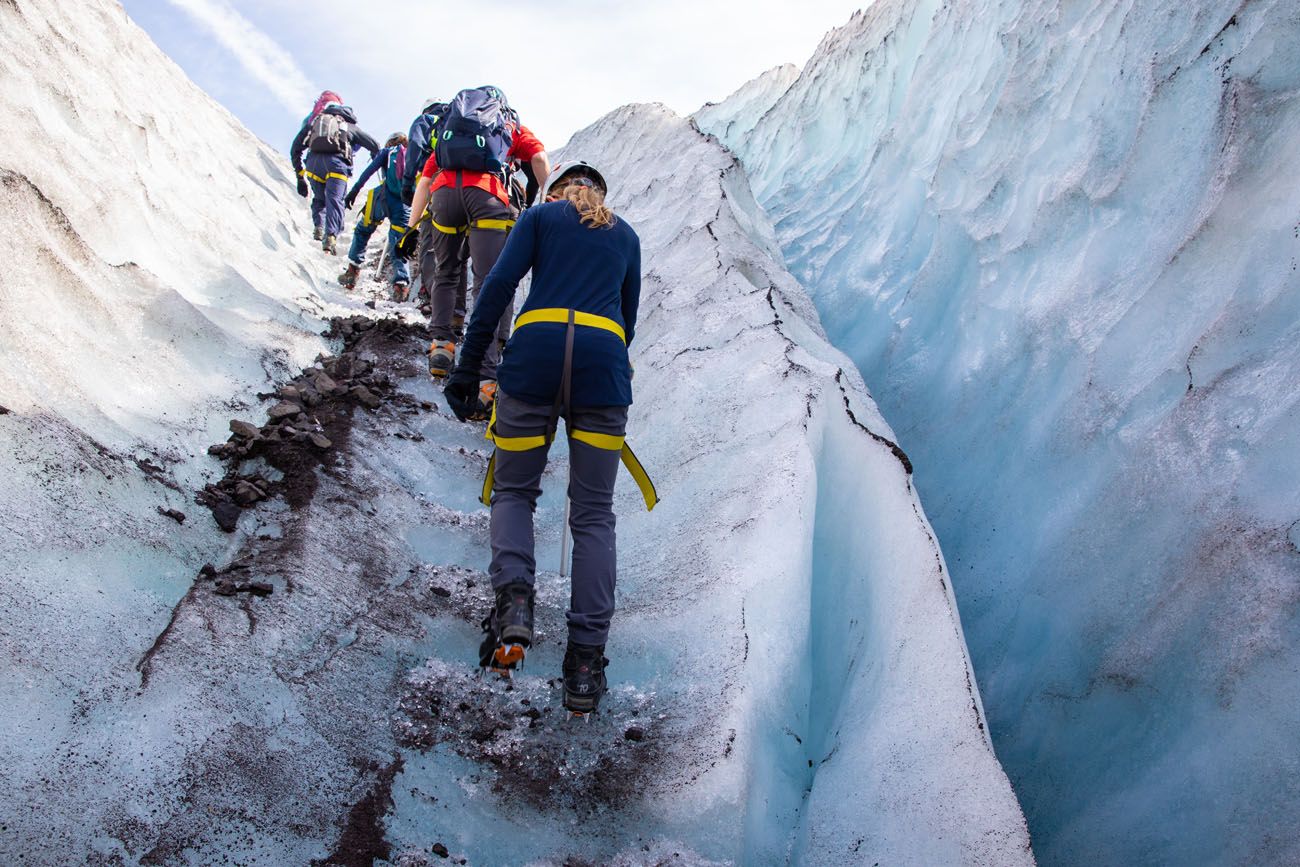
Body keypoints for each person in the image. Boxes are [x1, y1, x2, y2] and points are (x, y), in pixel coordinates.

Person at [442, 162, 653, 715]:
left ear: (559, 191)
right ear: (600, 195)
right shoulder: (625, 235)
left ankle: (514, 605)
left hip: (533, 359)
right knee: (593, 514)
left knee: (514, 491)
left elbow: (497, 288)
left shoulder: (539, 218)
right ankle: (584, 663)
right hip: (602, 371)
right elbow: (626, 323)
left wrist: (468, 369)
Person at [397, 86, 550, 394]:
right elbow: (539, 157)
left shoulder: (450, 126)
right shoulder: (508, 124)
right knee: (488, 282)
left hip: (444, 197)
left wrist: (410, 228)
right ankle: (486, 375)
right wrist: (544, 201)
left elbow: (425, 180)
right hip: (488, 198)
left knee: (447, 271)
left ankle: (442, 346)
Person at [401, 98, 468, 325]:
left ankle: (434, 300)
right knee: (459, 249)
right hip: (471, 187)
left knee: (430, 243)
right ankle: (457, 313)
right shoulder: (462, 123)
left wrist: (408, 182)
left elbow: (416, 145)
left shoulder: (426, 121)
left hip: (438, 185)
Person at [290, 93, 379, 254]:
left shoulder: (316, 122)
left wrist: (300, 176)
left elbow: (295, 148)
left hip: (313, 165)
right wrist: (377, 160)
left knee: (319, 198)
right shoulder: (350, 126)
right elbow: (374, 145)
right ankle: (330, 236)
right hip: (337, 166)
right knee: (335, 199)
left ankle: (319, 226)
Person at [339, 133, 413, 300]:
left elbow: (369, 171)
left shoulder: (387, 152)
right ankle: (401, 285)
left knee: (363, 231)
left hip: (381, 197)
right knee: (399, 241)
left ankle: (353, 271)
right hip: (403, 203)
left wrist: (354, 191)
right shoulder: (413, 154)